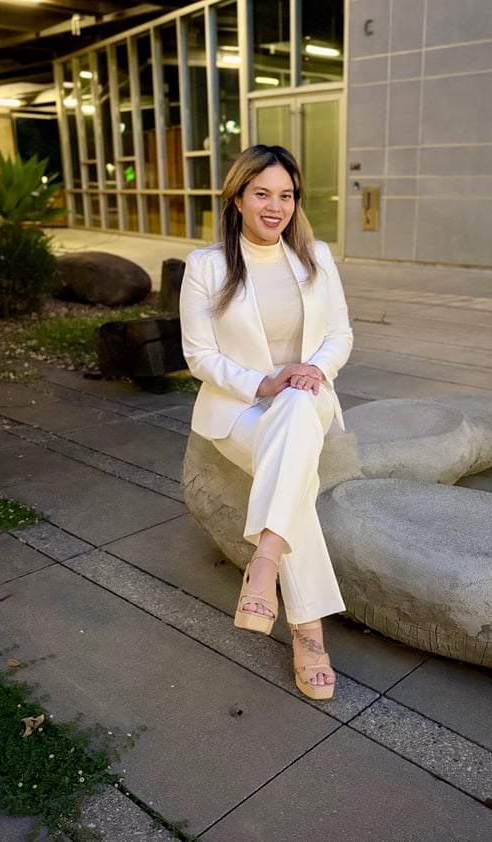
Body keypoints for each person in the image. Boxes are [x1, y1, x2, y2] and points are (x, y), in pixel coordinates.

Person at [179, 145, 353, 701]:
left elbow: (340, 335)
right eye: (262, 194)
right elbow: (198, 355)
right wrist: (262, 383)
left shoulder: (315, 257)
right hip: (240, 406)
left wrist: (311, 371)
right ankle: (308, 632)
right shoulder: (207, 266)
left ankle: (264, 564)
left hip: (306, 397)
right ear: (237, 198)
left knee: (298, 407)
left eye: (286, 195)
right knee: (294, 482)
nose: (275, 207)